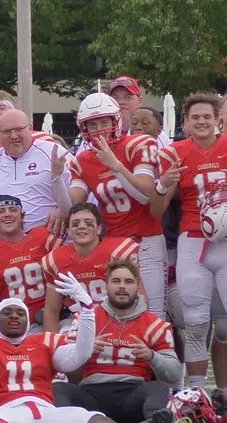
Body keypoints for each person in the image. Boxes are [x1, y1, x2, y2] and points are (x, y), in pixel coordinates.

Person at [0, 269, 193, 423]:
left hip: (48, 415)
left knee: (95, 421)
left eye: (20, 313)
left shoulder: (45, 340)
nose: (14, 316)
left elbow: (79, 355)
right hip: (7, 413)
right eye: (7, 313)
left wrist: (87, 309)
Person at [159, 92, 227, 389]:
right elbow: (158, 208)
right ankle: (198, 396)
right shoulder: (174, 152)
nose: (202, 121)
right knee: (196, 323)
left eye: (207, 116)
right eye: (195, 117)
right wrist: (164, 183)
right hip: (192, 241)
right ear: (185, 123)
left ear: (218, 119)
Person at [53, 258, 182, 423]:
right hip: (92, 394)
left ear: (138, 287)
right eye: (116, 281)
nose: (122, 286)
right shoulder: (86, 318)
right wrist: (83, 351)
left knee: (159, 388)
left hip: (133, 394)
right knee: (57, 388)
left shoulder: (155, 324)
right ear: (106, 286)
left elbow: (174, 374)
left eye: (128, 281)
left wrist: (152, 356)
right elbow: (68, 373)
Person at [68, 92, 168, 306]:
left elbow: (144, 196)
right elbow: (73, 206)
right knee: (118, 309)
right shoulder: (83, 160)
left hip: (146, 239)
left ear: (116, 120)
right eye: (92, 125)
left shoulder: (138, 144)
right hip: (114, 242)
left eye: (104, 122)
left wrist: (117, 166)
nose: (99, 130)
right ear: (84, 129)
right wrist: (58, 179)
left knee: (154, 311)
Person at [0, 108, 69, 235]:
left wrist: (62, 209)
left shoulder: (54, 152)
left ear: (30, 128)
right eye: (7, 131)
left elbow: (78, 190)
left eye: (19, 129)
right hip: (9, 242)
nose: (13, 136)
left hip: (53, 239)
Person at [40, 202, 141, 327]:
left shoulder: (119, 252)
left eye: (88, 223)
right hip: (78, 323)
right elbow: (51, 310)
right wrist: (54, 344)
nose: (82, 227)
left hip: (118, 319)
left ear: (99, 228)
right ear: (68, 231)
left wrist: (134, 327)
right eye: (75, 224)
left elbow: (140, 297)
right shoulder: (56, 259)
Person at [0, 196, 57, 325]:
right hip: (13, 323)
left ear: (22, 216)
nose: (7, 214)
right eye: (1, 211)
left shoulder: (43, 237)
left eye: (13, 210)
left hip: (52, 317)